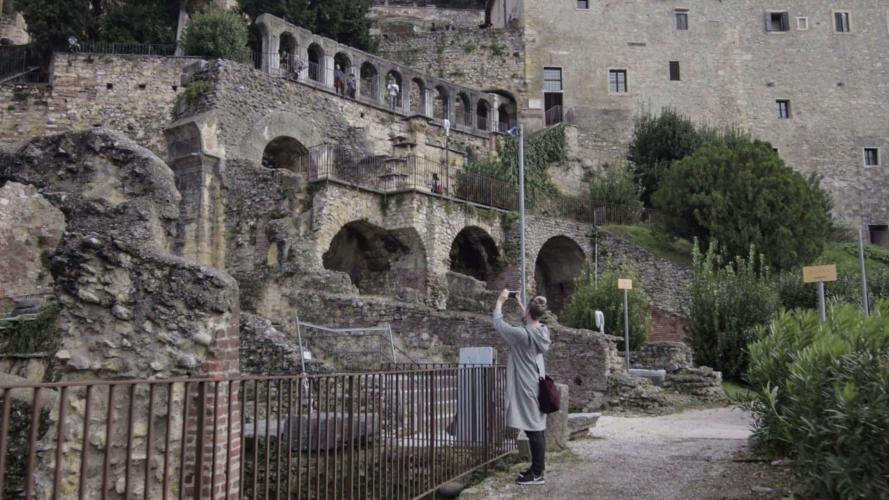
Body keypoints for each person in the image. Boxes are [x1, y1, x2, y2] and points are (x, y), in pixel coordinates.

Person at [493, 290, 551, 486]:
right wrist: (520, 304)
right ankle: (537, 468)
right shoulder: (542, 330)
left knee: (534, 429)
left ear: (528, 311)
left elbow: (499, 324)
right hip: (536, 382)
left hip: (526, 385)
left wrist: (500, 302)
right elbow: (531, 320)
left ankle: (537, 474)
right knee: (536, 427)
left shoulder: (520, 335)